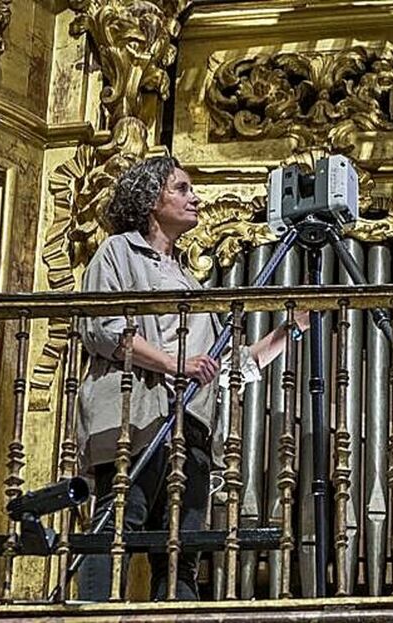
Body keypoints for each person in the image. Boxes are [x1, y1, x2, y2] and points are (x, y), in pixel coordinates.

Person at [76, 156, 302, 600]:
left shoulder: (189, 281)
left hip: (191, 430)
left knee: (182, 550)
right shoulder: (118, 252)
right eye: (180, 188)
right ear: (149, 199)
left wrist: (292, 327)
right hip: (134, 420)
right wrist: (174, 363)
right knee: (117, 524)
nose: (194, 196)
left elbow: (225, 365)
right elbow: (102, 328)